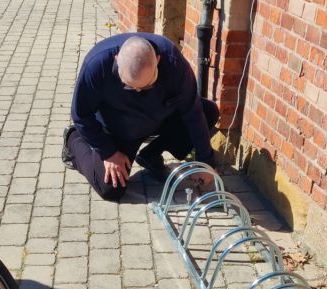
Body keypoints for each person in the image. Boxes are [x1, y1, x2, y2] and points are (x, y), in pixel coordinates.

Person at [63, 33, 218, 201]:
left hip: (159, 118)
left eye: (147, 85)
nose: (138, 91)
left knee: (208, 112)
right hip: (118, 129)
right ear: (116, 60)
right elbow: (81, 114)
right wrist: (108, 153)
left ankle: (150, 155)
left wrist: (206, 162)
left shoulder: (174, 63)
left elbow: (192, 113)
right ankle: (73, 139)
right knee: (110, 189)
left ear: (158, 60)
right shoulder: (96, 65)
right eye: (129, 86)